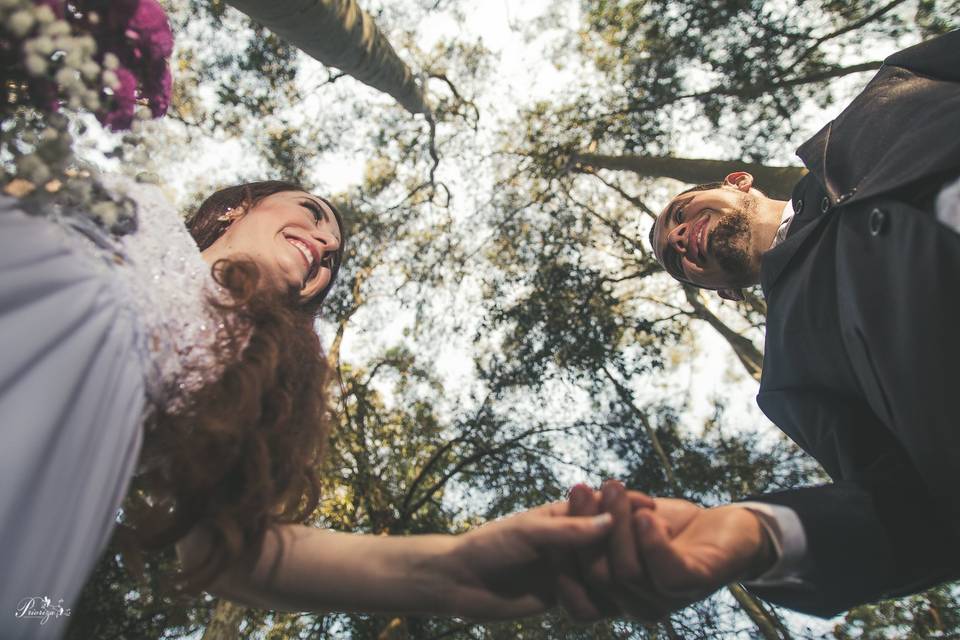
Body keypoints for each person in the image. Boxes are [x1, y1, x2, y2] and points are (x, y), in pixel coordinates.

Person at [0, 176, 620, 639]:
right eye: (315, 216)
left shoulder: (246, 372)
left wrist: (457, 569)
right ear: (240, 206)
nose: (324, 245)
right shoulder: (139, 206)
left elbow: (235, 555)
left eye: (333, 258)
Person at [556, 28, 960, 621]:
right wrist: (751, 534)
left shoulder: (885, 95)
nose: (676, 238)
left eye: (678, 213)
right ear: (719, 290)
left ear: (737, 180)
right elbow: (911, 515)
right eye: (674, 258)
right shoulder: (793, 379)